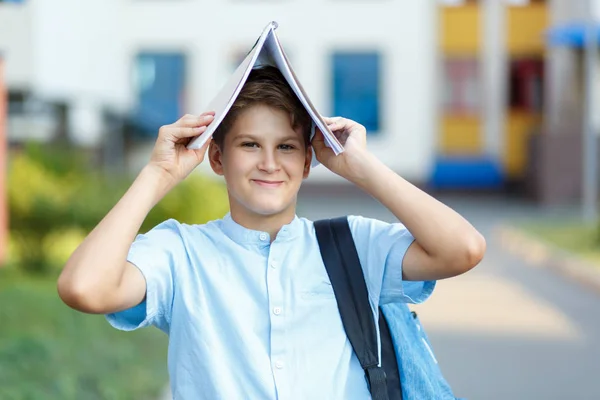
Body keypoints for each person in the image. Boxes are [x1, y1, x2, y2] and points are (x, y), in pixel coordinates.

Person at [57, 66, 485, 399]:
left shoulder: (354, 245)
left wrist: (361, 167)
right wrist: (158, 174)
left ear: (306, 162)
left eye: (285, 146)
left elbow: (463, 249)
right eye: (249, 145)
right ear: (218, 159)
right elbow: (84, 287)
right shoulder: (181, 253)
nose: (268, 163)